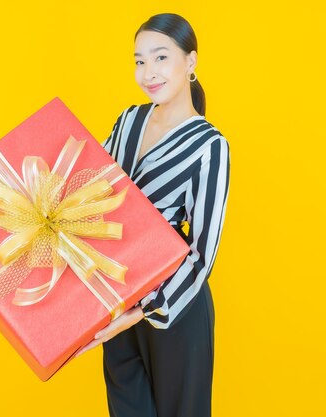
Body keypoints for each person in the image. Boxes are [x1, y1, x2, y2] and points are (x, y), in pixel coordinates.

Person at [74, 13, 231, 417]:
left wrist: (137, 314)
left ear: (190, 62)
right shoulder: (129, 120)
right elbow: (90, 193)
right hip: (118, 299)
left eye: (160, 58)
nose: (148, 72)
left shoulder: (210, 146)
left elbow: (201, 255)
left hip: (176, 310)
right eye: (139, 61)